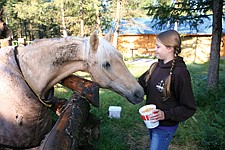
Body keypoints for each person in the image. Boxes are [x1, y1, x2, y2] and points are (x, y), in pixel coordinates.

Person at [138, 30, 196, 150]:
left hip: (165, 126)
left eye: (158, 46)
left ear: (170, 48)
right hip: (151, 122)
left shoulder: (180, 73)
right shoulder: (155, 67)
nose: (155, 49)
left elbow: (189, 107)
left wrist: (165, 114)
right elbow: (140, 86)